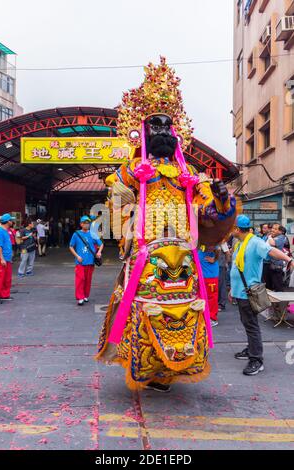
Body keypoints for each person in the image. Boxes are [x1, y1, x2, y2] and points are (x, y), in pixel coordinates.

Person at [96, 58, 238, 393]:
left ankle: (176, 365)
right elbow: (115, 203)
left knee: (185, 312)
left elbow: (212, 211)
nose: (160, 132)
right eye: (154, 127)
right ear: (143, 132)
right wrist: (128, 187)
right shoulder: (133, 170)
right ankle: (146, 365)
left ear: (176, 134)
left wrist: (221, 199)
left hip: (184, 259)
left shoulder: (188, 175)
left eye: (165, 127)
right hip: (147, 258)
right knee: (143, 309)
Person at [230, 215, 294, 376]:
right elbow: (237, 267)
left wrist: (288, 259)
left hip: (249, 292)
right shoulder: (241, 243)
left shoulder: (255, 242)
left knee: (252, 326)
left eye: (233, 228)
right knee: (247, 324)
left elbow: (271, 251)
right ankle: (251, 349)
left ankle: (256, 360)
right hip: (240, 291)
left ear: (238, 229)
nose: (231, 230)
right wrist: (232, 289)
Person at [69, 215, 104, 306]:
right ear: (81, 224)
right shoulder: (76, 234)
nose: (87, 225)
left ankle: (85, 295)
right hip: (80, 262)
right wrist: (77, 256)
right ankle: (80, 297)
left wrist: (99, 252)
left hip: (90, 261)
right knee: (80, 279)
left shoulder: (92, 234)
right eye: (85, 223)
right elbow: (71, 246)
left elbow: (101, 244)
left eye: (88, 223)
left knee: (88, 280)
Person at [0, 213, 15, 304]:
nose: (12, 221)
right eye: (11, 220)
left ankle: (4, 295)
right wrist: (2, 258)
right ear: (8, 221)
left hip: (7, 258)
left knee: (7, 278)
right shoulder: (0, 231)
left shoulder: (6, 230)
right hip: (0, 258)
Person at [198, 246, 219, 327]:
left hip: (211, 277)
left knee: (212, 298)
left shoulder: (211, 242)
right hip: (203, 277)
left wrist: (215, 259)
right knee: (203, 297)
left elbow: (218, 248)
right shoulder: (201, 245)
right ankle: (205, 316)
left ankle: (212, 318)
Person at [264, 224, 287, 292]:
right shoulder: (271, 237)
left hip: (276, 265)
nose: (272, 230)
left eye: (275, 229)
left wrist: (270, 236)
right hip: (269, 263)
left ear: (280, 231)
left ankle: (281, 302)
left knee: (278, 286)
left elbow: (272, 243)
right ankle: (272, 302)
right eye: (272, 228)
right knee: (268, 286)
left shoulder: (281, 237)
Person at [218, 242, 230, 312]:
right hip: (215, 266)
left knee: (221, 285)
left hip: (220, 265)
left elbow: (227, 253)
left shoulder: (222, 242)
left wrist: (226, 263)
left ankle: (221, 304)